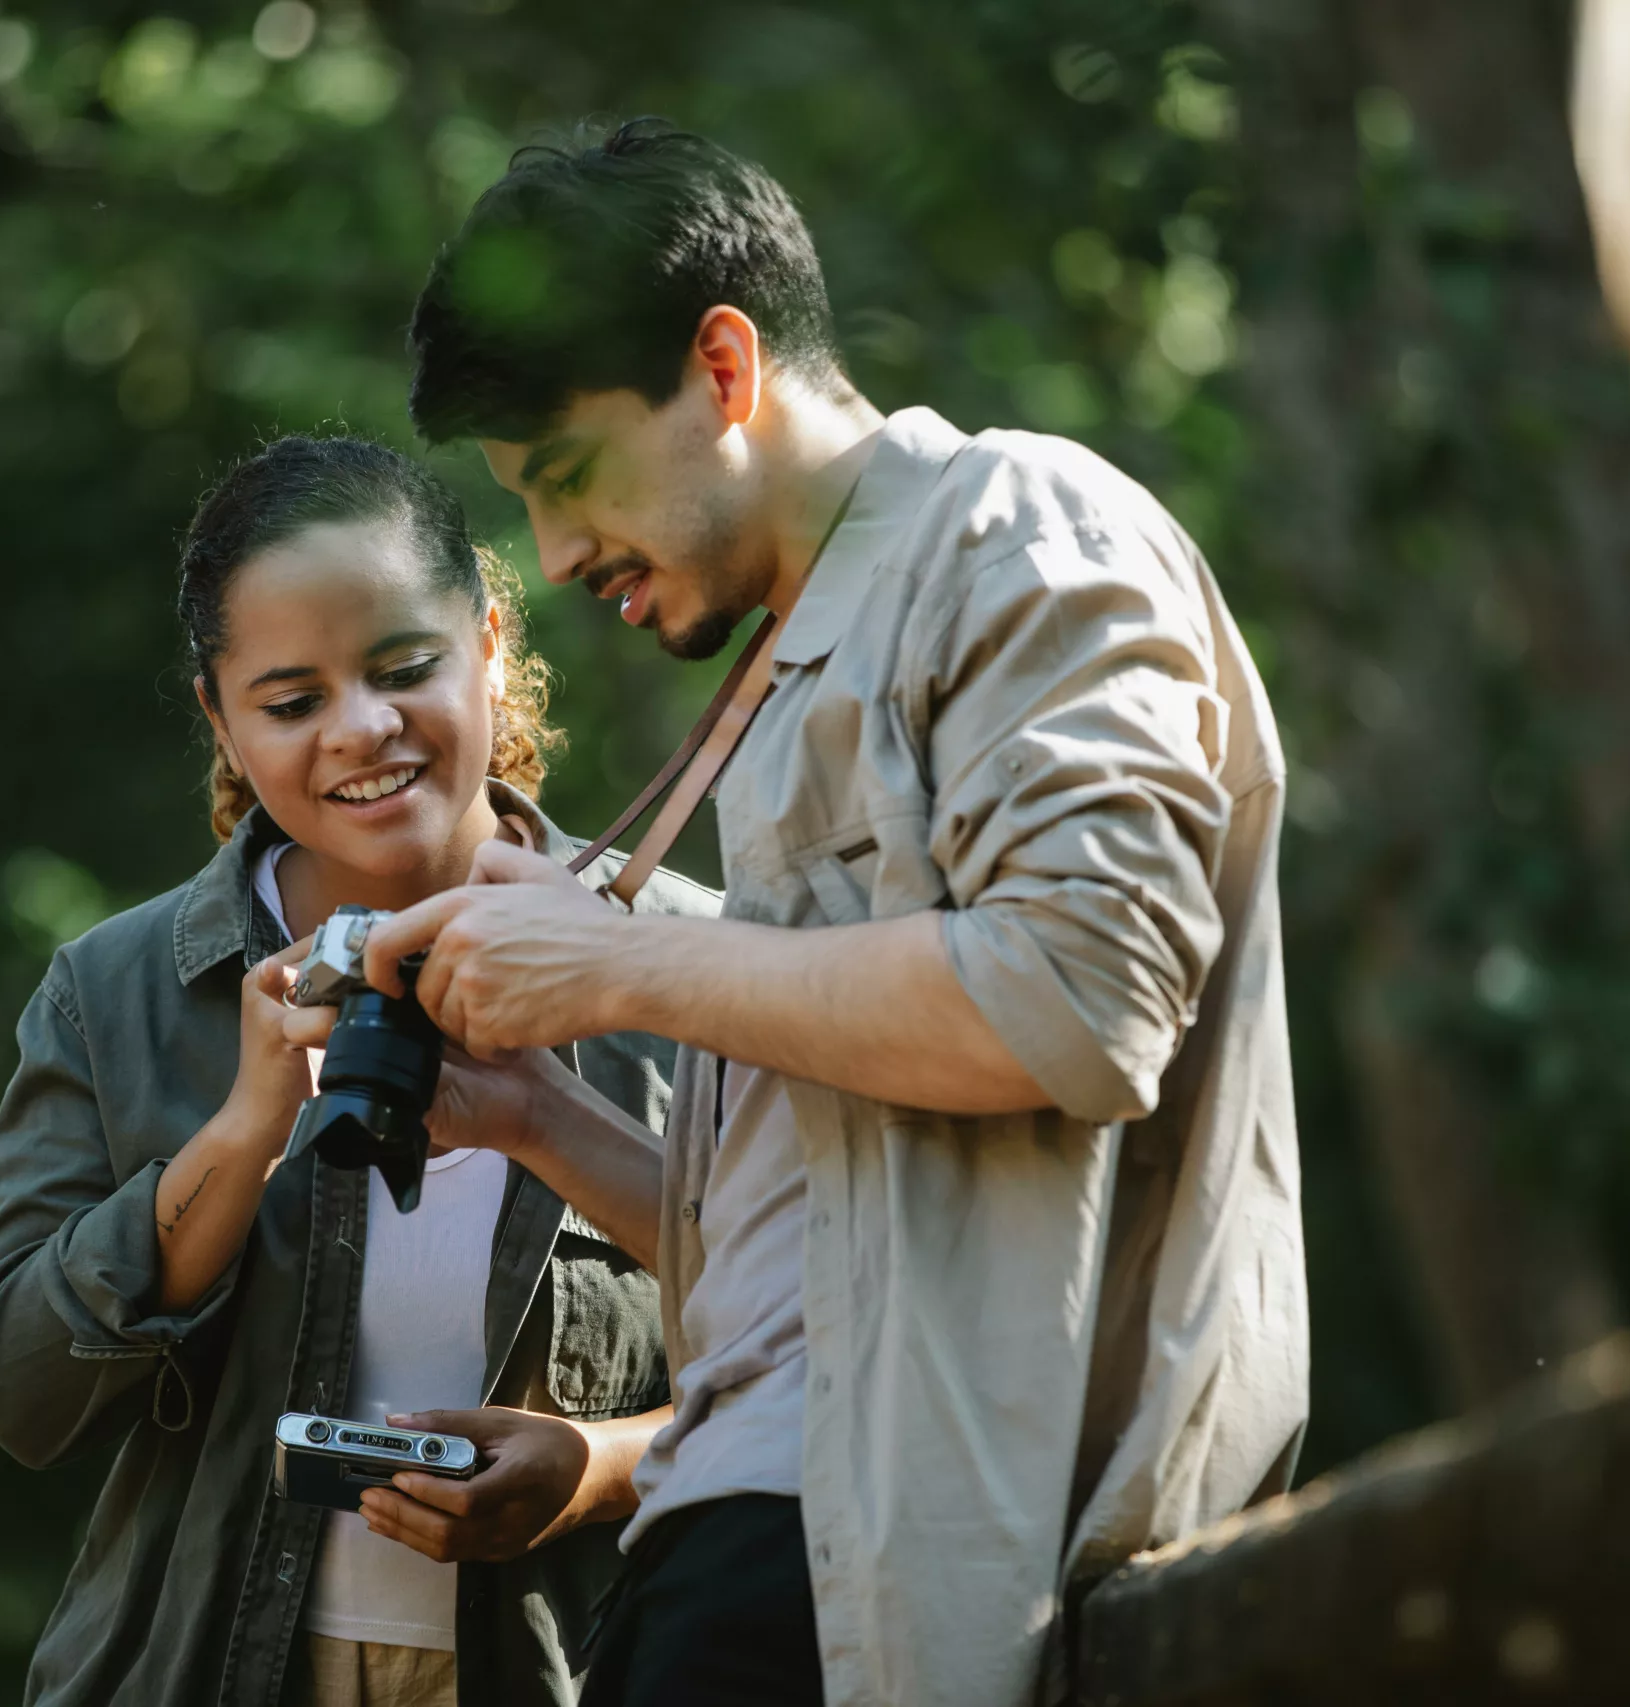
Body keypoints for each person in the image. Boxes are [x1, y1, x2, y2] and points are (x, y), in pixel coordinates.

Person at [306, 122, 1311, 1707]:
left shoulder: (1017, 524)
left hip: (881, 1555)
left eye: (567, 478)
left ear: (724, 365)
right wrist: (538, 1112)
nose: (559, 556)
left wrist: (624, 957)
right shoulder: (779, 677)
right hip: (750, 1535)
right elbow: (819, 1255)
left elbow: (1081, 997)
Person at [0, 435, 715, 1707]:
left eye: (403, 669)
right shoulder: (114, 993)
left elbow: (842, 1350)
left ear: (486, 644)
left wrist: (601, 1467)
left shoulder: (691, 965)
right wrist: (245, 1130)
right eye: (292, 702)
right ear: (222, 718)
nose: (362, 731)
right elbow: (22, 1400)